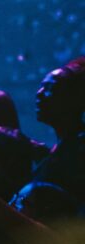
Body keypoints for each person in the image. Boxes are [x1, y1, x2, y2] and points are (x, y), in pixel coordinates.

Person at [31, 56, 85, 202]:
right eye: (41, 86)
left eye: (49, 88)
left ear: (73, 97)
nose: (39, 93)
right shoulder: (66, 147)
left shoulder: (79, 150)